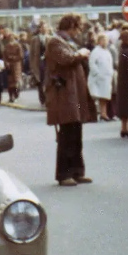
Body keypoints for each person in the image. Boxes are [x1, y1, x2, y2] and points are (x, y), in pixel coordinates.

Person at [46, 15, 95, 186]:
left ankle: (77, 171)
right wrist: (80, 54)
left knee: (75, 134)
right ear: (71, 26)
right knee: (66, 135)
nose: (79, 31)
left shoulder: (65, 41)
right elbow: (66, 59)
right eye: (78, 27)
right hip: (64, 95)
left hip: (73, 95)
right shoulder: (55, 41)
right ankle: (64, 173)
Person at [87, 34, 115, 121]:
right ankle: (102, 113)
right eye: (103, 40)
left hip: (106, 77)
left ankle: (104, 113)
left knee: (105, 96)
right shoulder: (96, 51)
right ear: (99, 41)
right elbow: (92, 63)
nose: (105, 42)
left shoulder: (107, 51)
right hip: (99, 77)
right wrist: (97, 73)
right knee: (100, 96)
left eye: (106, 40)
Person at [30, 22, 51, 106]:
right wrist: (31, 65)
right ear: (39, 29)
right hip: (38, 63)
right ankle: (42, 99)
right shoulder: (34, 39)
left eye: (45, 27)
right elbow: (31, 53)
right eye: (42, 27)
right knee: (40, 81)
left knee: (48, 80)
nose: (44, 29)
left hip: (48, 62)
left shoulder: (50, 38)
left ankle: (48, 99)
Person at [2, 30, 24, 103]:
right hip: (9, 65)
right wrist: (6, 62)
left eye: (12, 37)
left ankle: (16, 93)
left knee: (16, 81)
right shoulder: (7, 46)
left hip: (16, 65)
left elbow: (21, 56)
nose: (11, 38)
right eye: (9, 37)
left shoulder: (18, 45)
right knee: (10, 82)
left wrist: (13, 58)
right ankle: (11, 96)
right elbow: (4, 56)